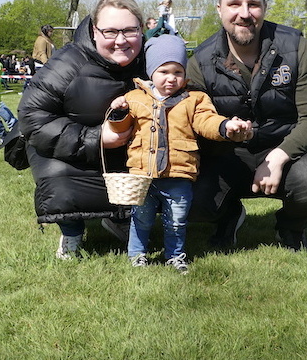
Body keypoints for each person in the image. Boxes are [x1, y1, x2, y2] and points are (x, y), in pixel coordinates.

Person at [186, 0, 307, 252]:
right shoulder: (200, 60)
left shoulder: (296, 48)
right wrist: (223, 129)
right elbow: (194, 120)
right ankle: (228, 215)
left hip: (287, 149)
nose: (244, 13)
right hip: (226, 156)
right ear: (220, 9)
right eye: (234, 4)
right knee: (187, 196)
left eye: (253, 4)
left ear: (264, 8)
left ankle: (291, 227)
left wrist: (279, 157)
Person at [104, 35, 251, 272]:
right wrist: (118, 113)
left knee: (176, 221)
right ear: (151, 72)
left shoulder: (194, 99)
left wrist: (225, 127)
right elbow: (120, 129)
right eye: (164, 71)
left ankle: (175, 256)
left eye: (178, 72)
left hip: (179, 174)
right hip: (143, 176)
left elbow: (207, 121)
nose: (171, 78)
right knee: (140, 219)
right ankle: (137, 255)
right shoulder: (134, 98)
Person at [18, 0, 147, 260]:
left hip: (129, 153)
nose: (121, 40)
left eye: (130, 30)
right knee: (61, 184)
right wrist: (97, 138)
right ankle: (72, 231)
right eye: (110, 31)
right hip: (72, 151)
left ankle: (121, 218)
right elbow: (32, 116)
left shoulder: (152, 61)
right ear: (94, 30)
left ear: (141, 30)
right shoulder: (68, 63)